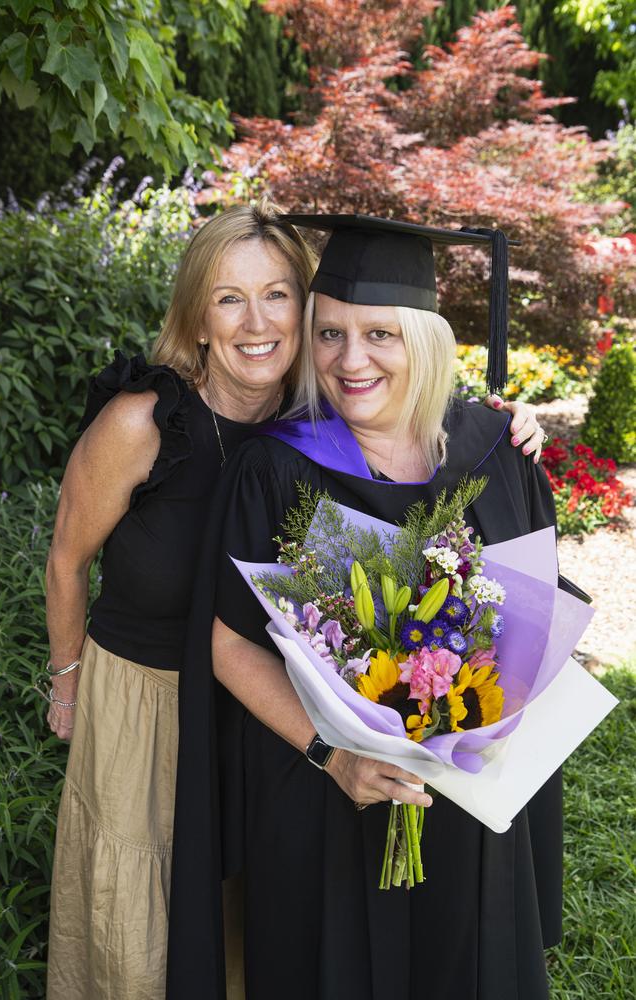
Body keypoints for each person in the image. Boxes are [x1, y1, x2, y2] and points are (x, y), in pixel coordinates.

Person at [44, 200, 543, 1000]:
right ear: (198, 319)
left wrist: (511, 431)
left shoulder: (394, 434)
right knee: (144, 917)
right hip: (160, 701)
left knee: (243, 923)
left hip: (322, 745)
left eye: (278, 296)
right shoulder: (188, 438)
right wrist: (65, 683)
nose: (259, 322)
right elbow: (69, 560)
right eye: (229, 298)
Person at [198, 215, 562, 1000]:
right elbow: (228, 642)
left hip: (465, 804)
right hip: (322, 798)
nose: (349, 360)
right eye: (328, 334)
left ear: (425, 340)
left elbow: (536, 625)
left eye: (379, 335)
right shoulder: (275, 470)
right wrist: (336, 757)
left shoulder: (497, 455)